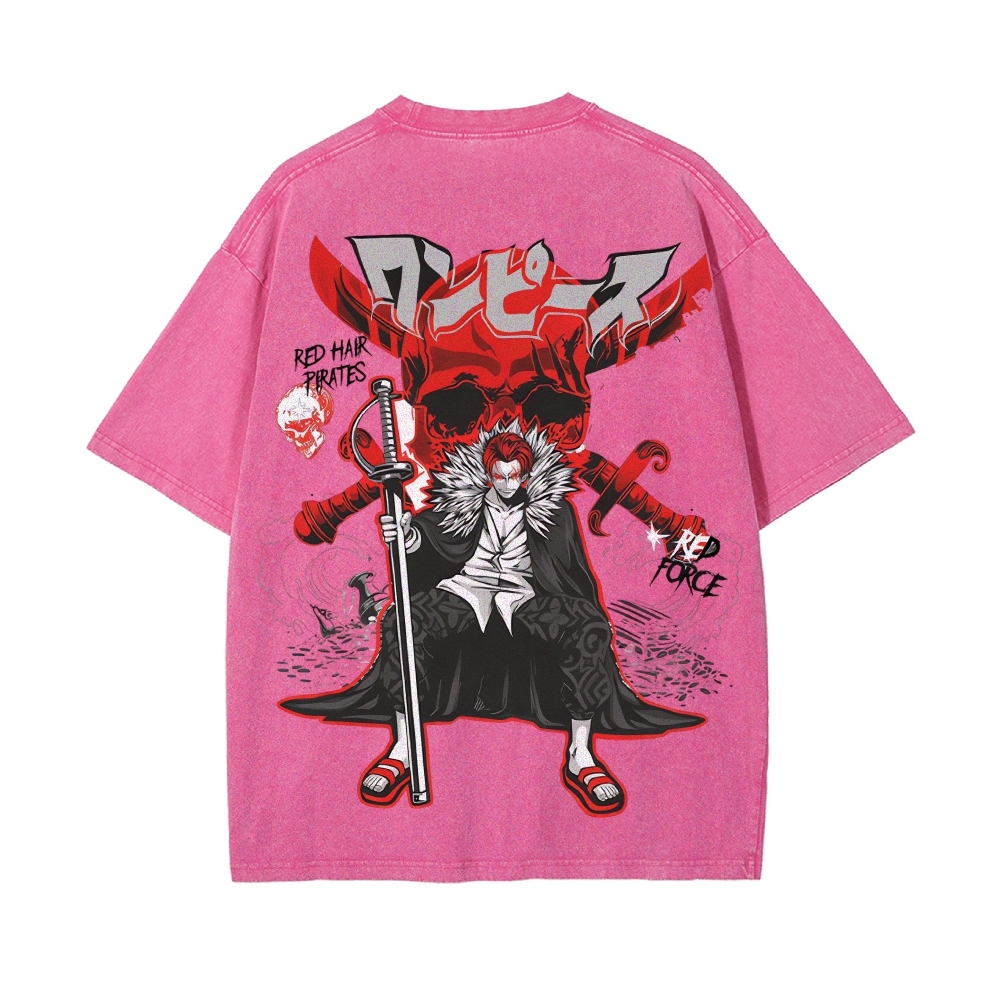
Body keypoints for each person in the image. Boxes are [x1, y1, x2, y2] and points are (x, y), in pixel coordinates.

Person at [281, 427, 703, 815]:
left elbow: (569, 571)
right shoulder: (460, 504)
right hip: (464, 592)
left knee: (587, 625)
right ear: (487, 474)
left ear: (526, 474)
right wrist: (406, 537)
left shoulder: (555, 512)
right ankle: (403, 748)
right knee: (404, 622)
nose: (506, 484)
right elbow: (430, 540)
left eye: (513, 476)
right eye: (498, 476)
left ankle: (581, 754)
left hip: (524, 598)